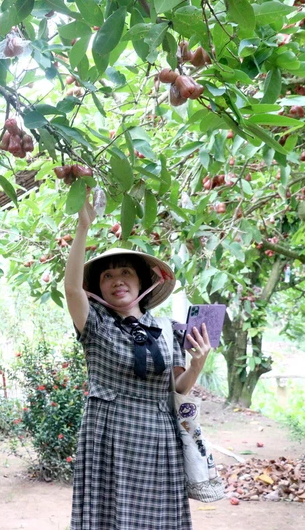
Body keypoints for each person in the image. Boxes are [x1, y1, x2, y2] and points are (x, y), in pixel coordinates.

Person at [63, 193, 211, 530]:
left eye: (126, 273)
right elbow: (71, 289)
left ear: (141, 281)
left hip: (158, 438)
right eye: (107, 276)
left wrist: (197, 366)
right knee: (107, 520)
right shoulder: (95, 323)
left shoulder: (167, 329)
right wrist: (82, 228)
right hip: (108, 435)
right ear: (98, 287)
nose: (117, 280)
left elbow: (176, 387)